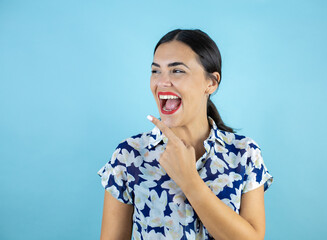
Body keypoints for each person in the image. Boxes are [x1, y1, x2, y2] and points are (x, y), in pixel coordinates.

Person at [98, 29, 274, 240]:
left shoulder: (245, 154)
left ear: (211, 82)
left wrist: (189, 181)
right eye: (156, 71)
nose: (162, 82)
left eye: (177, 71)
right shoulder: (129, 156)